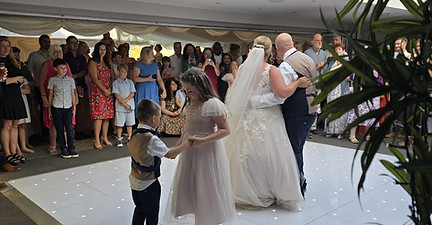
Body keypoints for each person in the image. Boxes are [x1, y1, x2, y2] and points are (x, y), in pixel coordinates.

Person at [224, 35, 307, 210]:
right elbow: (282, 93)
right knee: (270, 154)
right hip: (268, 117)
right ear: (269, 52)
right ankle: (267, 190)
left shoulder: (244, 67)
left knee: (246, 154)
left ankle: (245, 190)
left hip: (246, 115)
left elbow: (238, 93)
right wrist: (297, 82)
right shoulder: (271, 70)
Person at [165, 67, 235, 225]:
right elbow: (187, 129)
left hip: (207, 150)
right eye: (185, 91)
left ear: (200, 86)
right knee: (190, 184)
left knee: (205, 185)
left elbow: (226, 130)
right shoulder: (190, 103)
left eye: (190, 90)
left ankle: (208, 218)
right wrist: (178, 146)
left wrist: (203, 140)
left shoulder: (212, 104)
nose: (187, 94)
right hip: (190, 149)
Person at [250, 33, 317, 195]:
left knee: (293, 149)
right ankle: (297, 182)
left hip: (297, 112)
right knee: (297, 148)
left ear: (277, 48)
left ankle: (297, 185)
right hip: (311, 109)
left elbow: (279, 96)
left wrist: (254, 102)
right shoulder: (306, 58)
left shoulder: (286, 66)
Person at [129, 99, 191, 225]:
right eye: (159, 116)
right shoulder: (151, 139)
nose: (160, 119)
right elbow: (170, 154)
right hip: (148, 183)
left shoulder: (135, 133)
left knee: (139, 210)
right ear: (153, 118)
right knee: (152, 215)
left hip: (134, 180)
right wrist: (188, 142)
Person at [40, 45, 77, 155]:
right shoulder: (47, 64)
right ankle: (54, 146)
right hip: (54, 99)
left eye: (59, 52)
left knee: (69, 127)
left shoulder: (65, 65)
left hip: (67, 100)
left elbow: (71, 83)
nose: (58, 54)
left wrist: (74, 99)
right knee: (54, 125)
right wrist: (44, 97)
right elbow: (41, 82)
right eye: (55, 52)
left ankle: (69, 147)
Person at [0, 36, 27, 166]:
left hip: (16, 94)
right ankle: (7, 153)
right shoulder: (0, 62)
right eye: (3, 46)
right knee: (7, 125)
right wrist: (15, 78)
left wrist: (19, 79)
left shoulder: (12, 61)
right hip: (5, 96)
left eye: (8, 46)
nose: (6, 49)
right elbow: (1, 80)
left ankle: (14, 150)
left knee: (15, 125)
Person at [48, 58, 78, 158]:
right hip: (57, 106)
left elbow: (73, 94)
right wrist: (49, 109)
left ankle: (71, 148)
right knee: (59, 129)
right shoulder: (52, 80)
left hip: (68, 107)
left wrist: (74, 107)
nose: (64, 70)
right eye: (61, 68)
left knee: (69, 128)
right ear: (56, 69)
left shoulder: (70, 79)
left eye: (65, 68)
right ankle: (63, 148)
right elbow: (51, 95)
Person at [64, 36, 92, 138]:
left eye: (76, 43)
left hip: (82, 85)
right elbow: (65, 73)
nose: (75, 45)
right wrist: (74, 82)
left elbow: (85, 70)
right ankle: (72, 134)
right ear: (67, 45)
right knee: (71, 111)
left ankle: (87, 132)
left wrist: (75, 76)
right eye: (72, 43)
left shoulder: (81, 57)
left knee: (84, 110)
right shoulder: (65, 57)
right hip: (69, 87)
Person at [89, 42, 115, 149]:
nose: (102, 51)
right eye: (100, 49)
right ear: (96, 50)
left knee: (107, 116)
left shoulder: (108, 62)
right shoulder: (93, 62)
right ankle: (96, 139)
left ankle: (104, 137)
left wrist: (109, 89)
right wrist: (104, 90)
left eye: (104, 49)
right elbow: (95, 79)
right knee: (98, 116)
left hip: (108, 91)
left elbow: (112, 77)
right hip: (97, 91)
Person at [324, 43, 350, 139]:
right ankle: (330, 130)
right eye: (336, 50)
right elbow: (327, 71)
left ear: (343, 50)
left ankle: (340, 131)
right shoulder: (332, 61)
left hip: (342, 87)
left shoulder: (347, 61)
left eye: (339, 50)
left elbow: (351, 76)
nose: (337, 52)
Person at [26, 34, 51, 136]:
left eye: (49, 41)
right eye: (45, 41)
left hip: (53, 87)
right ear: (40, 42)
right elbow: (28, 70)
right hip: (39, 86)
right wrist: (31, 82)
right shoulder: (34, 55)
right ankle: (43, 133)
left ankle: (52, 132)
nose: (47, 43)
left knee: (52, 110)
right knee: (42, 109)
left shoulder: (52, 54)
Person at [133, 46, 166, 111]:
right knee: (143, 109)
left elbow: (159, 79)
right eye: (152, 53)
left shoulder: (155, 65)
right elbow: (135, 78)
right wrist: (147, 79)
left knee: (153, 108)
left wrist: (163, 89)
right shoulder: (138, 65)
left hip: (153, 89)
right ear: (146, 54)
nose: (153, 55)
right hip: (143, 89)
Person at [112, 64, 136, 147]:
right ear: (118, 72)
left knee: (130, 124)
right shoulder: (115, 83)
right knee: (119, 124)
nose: (124, 73)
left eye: (125, 72)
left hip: (130, 106)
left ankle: (130, 137)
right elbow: (116, 95)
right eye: (122, 72)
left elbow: (132, 93)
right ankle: (119, 139)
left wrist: (125, 102)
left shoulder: (130, 82)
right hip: (120, 107)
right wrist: (124, 103)